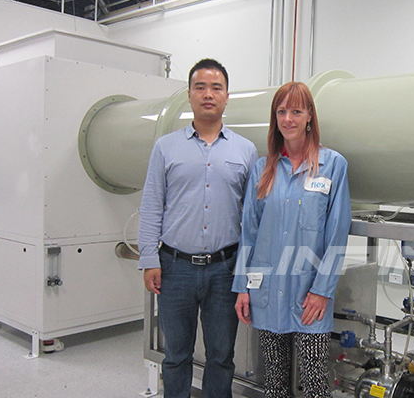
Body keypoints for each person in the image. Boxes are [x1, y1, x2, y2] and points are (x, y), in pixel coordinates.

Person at [138, 58, 258, 398]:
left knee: (221, 356)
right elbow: (151, 204)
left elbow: (252, 217)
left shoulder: (245, 150)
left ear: (226, 97)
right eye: (200, 87)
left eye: (216, 88)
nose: (208, 94)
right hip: (175, 267)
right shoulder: (165, 147)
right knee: (176, 355)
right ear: (189, 95)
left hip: (225, 269)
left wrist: (247, 272)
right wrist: (149, 259)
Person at [232, 82, 351, 398]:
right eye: (281, 111)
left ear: (309, 115)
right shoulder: (263, 169)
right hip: (268, 292)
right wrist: (242, 287)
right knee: (274, 382)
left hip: (309, 295)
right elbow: (249, 233)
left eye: (296, 111)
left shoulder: (332, 166)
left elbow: (337, 235)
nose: (288, 119)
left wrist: (322, 291)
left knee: (315, 383)